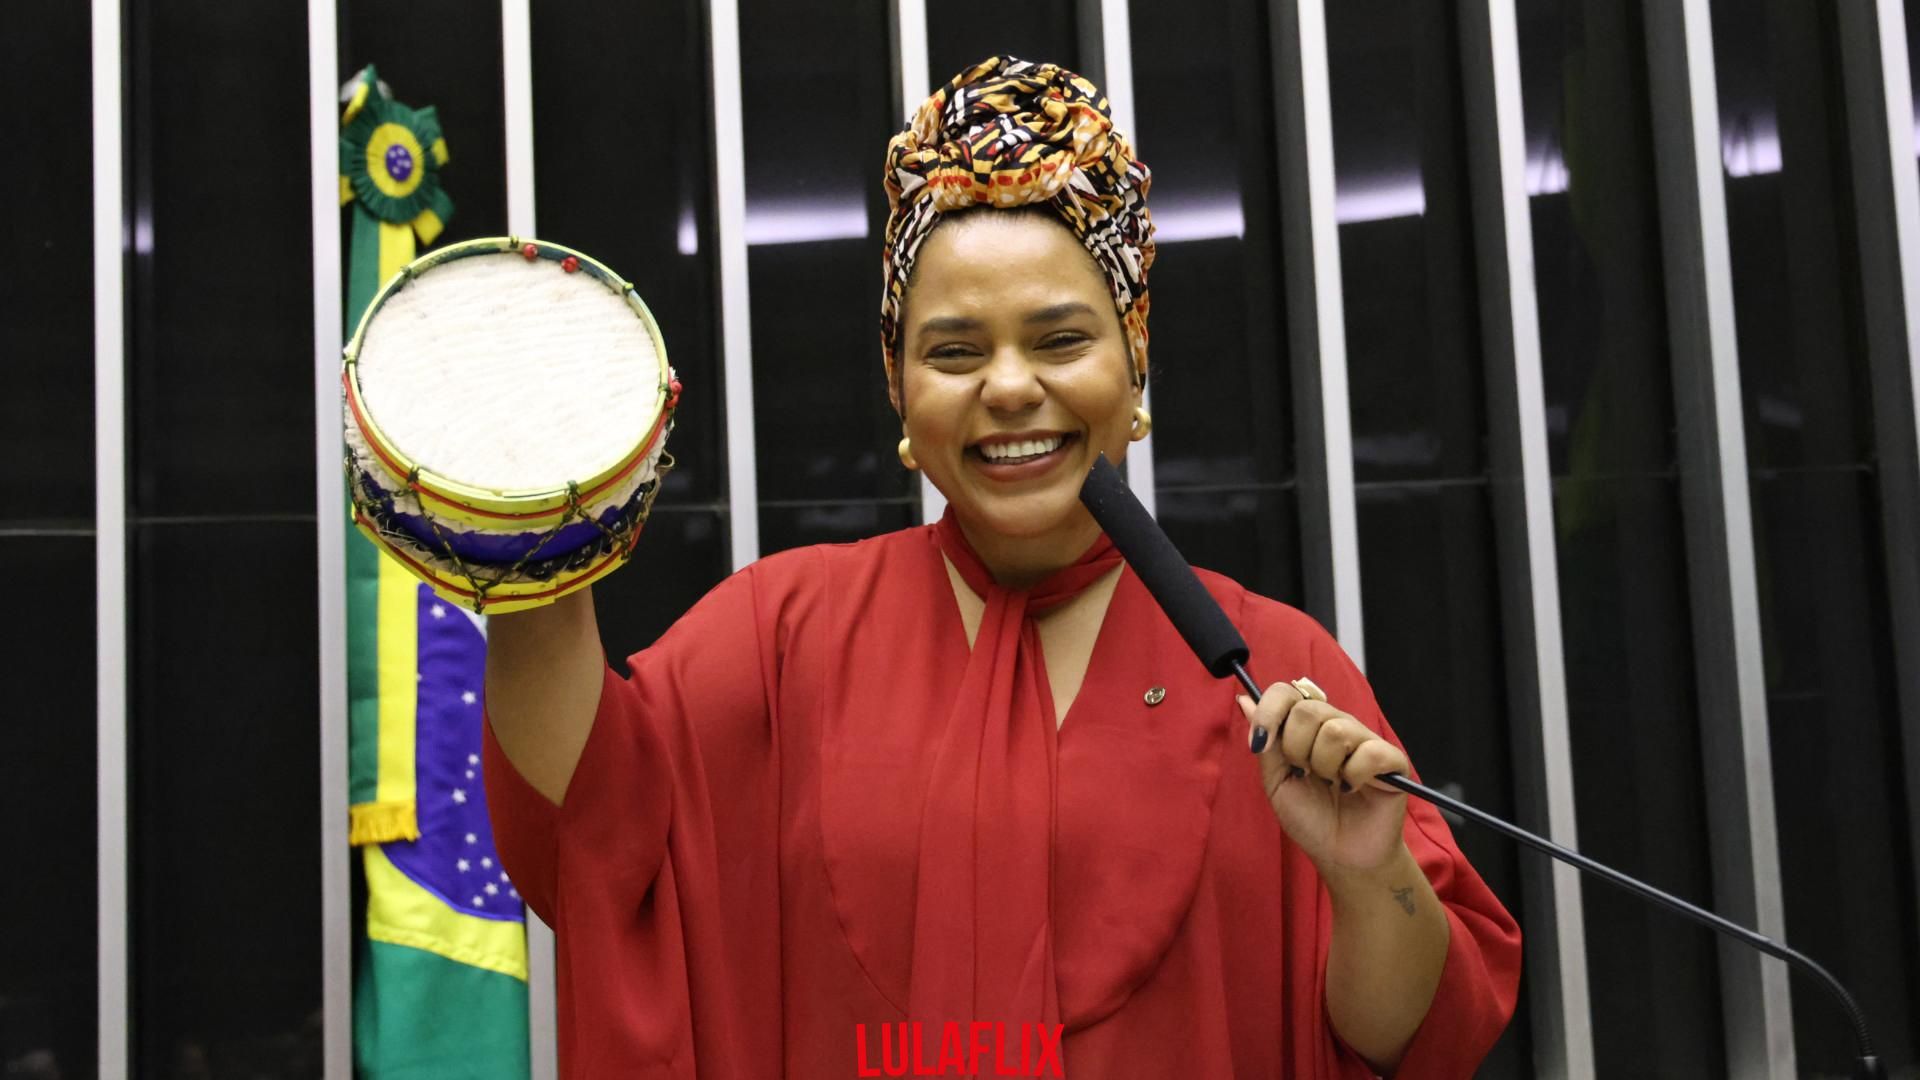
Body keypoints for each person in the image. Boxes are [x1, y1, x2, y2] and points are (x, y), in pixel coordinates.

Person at [483, 56, 1520, 1078]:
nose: (1011, 387)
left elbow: (1412, 1039)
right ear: (899, 389)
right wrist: (527, 520)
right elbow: (591, 829)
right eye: (955, 352)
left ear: (1135, 365)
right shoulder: (781, 632)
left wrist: (1368, 874)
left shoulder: (1278, 670)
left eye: (1060, 340)